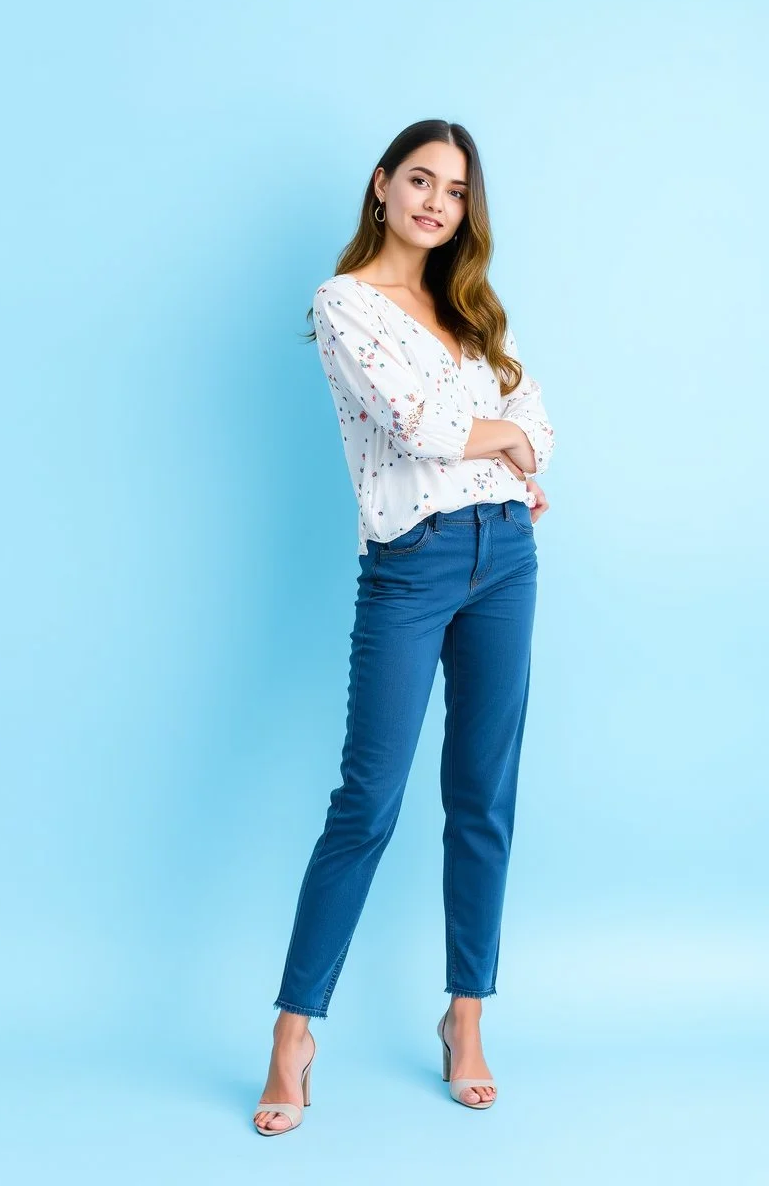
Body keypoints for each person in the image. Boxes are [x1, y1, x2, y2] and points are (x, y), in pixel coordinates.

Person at [253, 119, 556, 1135]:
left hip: (505, 558)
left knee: (482, 797)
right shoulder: (345, 304)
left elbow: (539, 421)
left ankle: (464, 1019)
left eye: (455, 190)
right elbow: (419, 427)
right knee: (366, 803)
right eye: (418, 179)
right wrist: (503, 437)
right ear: (381, 186)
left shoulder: (468, 309)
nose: (435, 201)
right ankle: (295, 1032)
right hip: (413, 565)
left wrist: (512, 445)